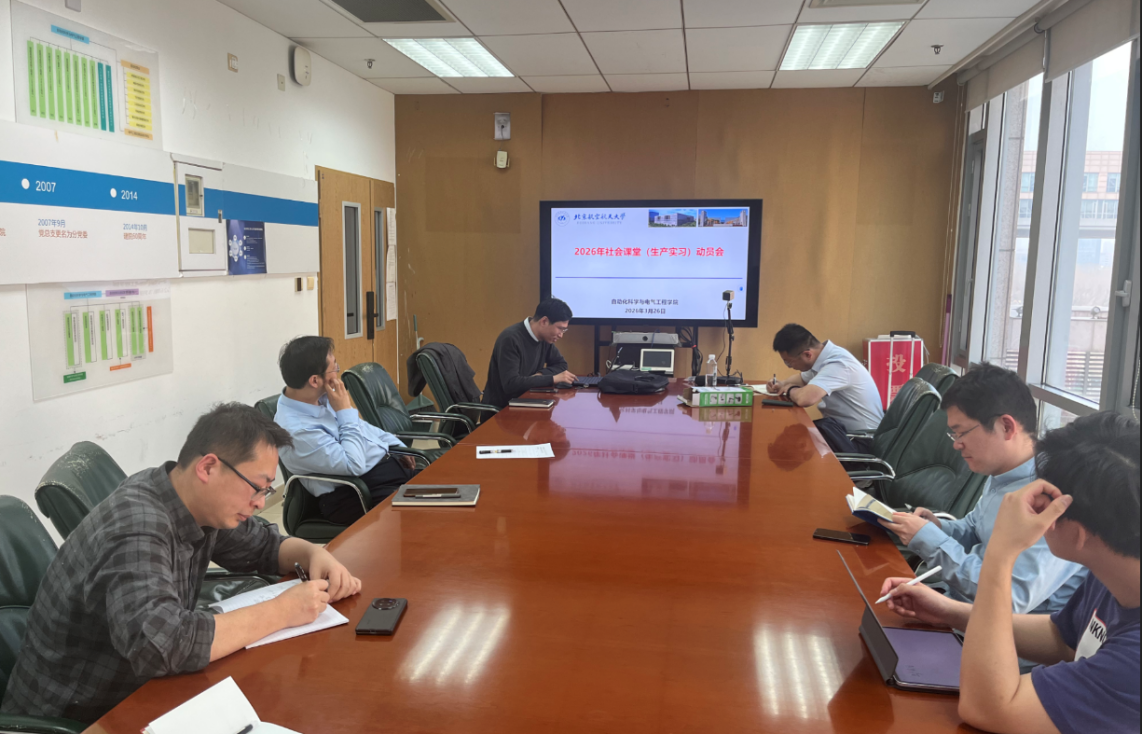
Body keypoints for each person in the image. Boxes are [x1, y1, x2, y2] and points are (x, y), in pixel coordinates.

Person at [0, 403, 361, 724]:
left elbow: (264, 546)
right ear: (208, 467)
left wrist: (314, 554)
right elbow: (164, 645)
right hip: (81, 715)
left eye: (267, 491)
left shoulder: (188, 497)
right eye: (257, 487)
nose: (259, 503)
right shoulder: (136, 526)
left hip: (139, 690)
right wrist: (281, 611)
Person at [880, 411, 1139, 734]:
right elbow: (1064, 637)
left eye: (1044, 500)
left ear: (1079, 533)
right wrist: (950, 612)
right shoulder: (1114, 572)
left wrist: (1002, 553)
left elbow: (986, 708)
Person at [879, 364, 1086, 613]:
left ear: (1006, 427)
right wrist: (939, 528)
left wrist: (930, 541)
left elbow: (1012, 598)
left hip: (1000, 629)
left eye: (961, 433)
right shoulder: (1003, 472)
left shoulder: (1052, 497)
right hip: (958, 605)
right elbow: (977, 529)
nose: (957, 445)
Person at [274, 336, 419, 525]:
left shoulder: (319, 398)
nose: (337, 372)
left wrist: (396, 445)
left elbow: (362, 428)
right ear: (315, 380)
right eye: (334, 367)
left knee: (451, 489)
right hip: (356, 494)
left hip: (385, 473)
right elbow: (353, 465)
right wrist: (344, 411)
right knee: (432, 517)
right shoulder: (297, 430)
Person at [766, 323, 884, 453]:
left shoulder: (838, 364)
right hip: (841, 433)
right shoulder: (823, 358)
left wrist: (789, 389)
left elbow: (805, 399)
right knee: (796, 438)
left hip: (861, 441)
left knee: (795, 446)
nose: (790, 366)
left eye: (789, 362)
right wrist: (781, 384)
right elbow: (801, 379)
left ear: (807, 355)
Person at [482, 298, 578, 409]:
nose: (561, 335)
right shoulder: (510, 339)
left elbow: (561, 365)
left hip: (529, 401)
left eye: (564, 330)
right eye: (560, 329)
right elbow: (511, 384)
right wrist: (552, 379)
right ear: (544, 321)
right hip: (502, 409)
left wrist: (541, 375)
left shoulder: (545, 338)